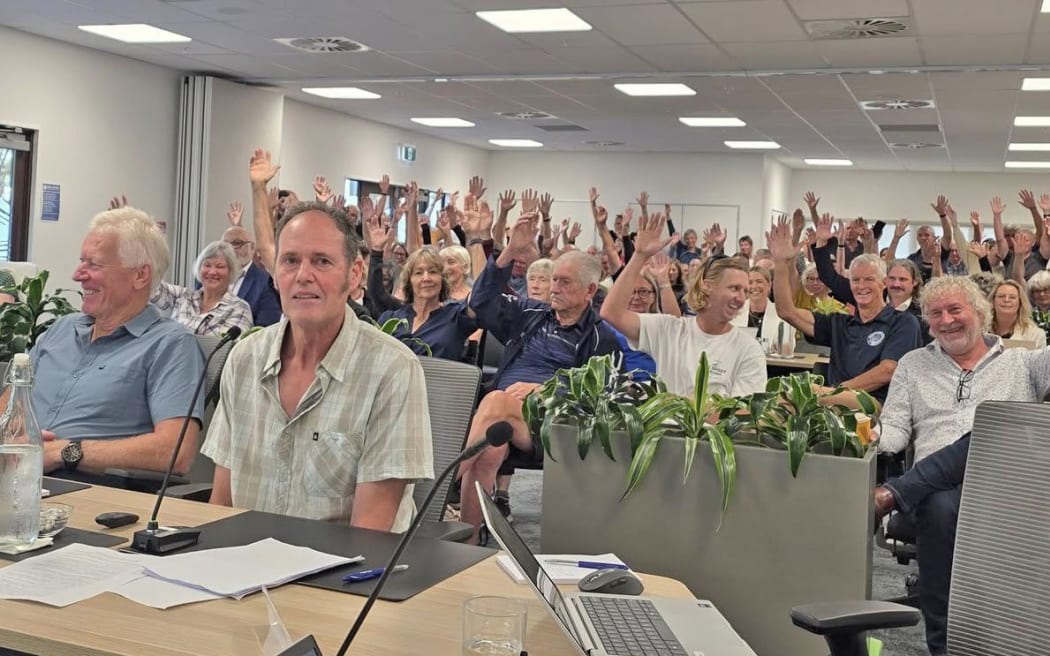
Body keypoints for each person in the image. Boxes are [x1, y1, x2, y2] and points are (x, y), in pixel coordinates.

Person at [203, 148, 433, 532]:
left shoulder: (391, 370)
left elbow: (368, 535)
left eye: (322, 262)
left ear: (355, 273)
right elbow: (221, 507)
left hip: (337, 577)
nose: (303, 275)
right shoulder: (244, 358)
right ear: (275, 272)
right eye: (290, 261)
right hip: (242, 571)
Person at [874, 275, 1050, 655]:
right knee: (940, 504)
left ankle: (895, 493)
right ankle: (947, 645)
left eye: (956, 309)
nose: (946, 320)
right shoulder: (913, 364)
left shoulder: (1024, 363)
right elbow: (894, 432)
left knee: (992, 430)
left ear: (981, 313)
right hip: (937, 495)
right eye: (936, 314)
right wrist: (865, 433)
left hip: (1005, 487)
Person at [457, 212, 620, 542]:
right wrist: (508, 252)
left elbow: (604, 398)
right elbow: (481, 302)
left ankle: (441, 484)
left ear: (590, 290)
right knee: (488, 453)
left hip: (551, 426)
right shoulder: (529, 314)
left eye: (564, 282)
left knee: (496, 400)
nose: (555, 288)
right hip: (502, 417)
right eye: (554, 279)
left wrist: (549, 387)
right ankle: (468, 541)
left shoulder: (602, 338)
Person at [29, 206, 205, 482]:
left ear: (140, 275)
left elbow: (176, 451)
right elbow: (9, 405)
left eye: (94, 264)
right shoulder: (62, 329)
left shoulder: (170, 345)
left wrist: (64, 451)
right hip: (16, 481)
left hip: (87, 494)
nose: (77, 275)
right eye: (81, 261)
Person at [602, 213, 766, 398]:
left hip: (708, 427)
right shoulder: (669, 330)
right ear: (707, 286)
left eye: (745, 291)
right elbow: (611, 313)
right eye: (735, 288)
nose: (741, 298)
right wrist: (639, 256)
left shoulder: (748, 348)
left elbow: (741, 412)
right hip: (666, 426)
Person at [769, 217, 922, 407]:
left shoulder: (904, 322)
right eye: (855, 280)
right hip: (832, 403)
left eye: (869, 280)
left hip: (877, 407)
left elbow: (887, 370)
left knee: (797, 396)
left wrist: (835, 391)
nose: (861, 286)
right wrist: (781, 264)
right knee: (780, 403)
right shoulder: (839, 324)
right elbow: (786, 311)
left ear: (884, 284)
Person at [366, 239, 477, 362]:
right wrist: (376, 252)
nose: (426, 278)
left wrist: (478, 238)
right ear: (409, 281)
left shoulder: (456, 317)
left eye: (433, 272)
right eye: (418, 273)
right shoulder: (391, 318)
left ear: (443, 279)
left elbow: (481, 299)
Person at [152, 241, 253, 336]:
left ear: (231, 272)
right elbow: (151, 287)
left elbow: (227, 348)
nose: (212, 272)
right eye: (207, 265)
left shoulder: (239, 308)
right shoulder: (182, 296)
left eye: (220, 266)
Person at [223, 201, 282, 326]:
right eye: (225, 245)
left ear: (252, 248)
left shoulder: (266, 282)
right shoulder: (209, 277)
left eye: (237, 244)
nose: (230, 249)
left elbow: (265, 327)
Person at [733, 265, 795, 354]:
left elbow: (786, 350)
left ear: (769, 285)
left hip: (772, 366)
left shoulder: (781, 313)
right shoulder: (735, 312)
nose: (754, 286)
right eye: (750, 282)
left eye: (759, 282)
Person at [989, 279, 1045, 347]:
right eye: (1001, 296)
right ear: (993, 301)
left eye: (1012, 297)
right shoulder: (979, 331)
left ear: (1020, 303)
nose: (1006, 300)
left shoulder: (1036, 335)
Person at [1028, 270, 1050, 340]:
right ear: (1032, 294)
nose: (1042, 294)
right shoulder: (1028, 316)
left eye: (1045, 290)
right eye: (1037, 291)